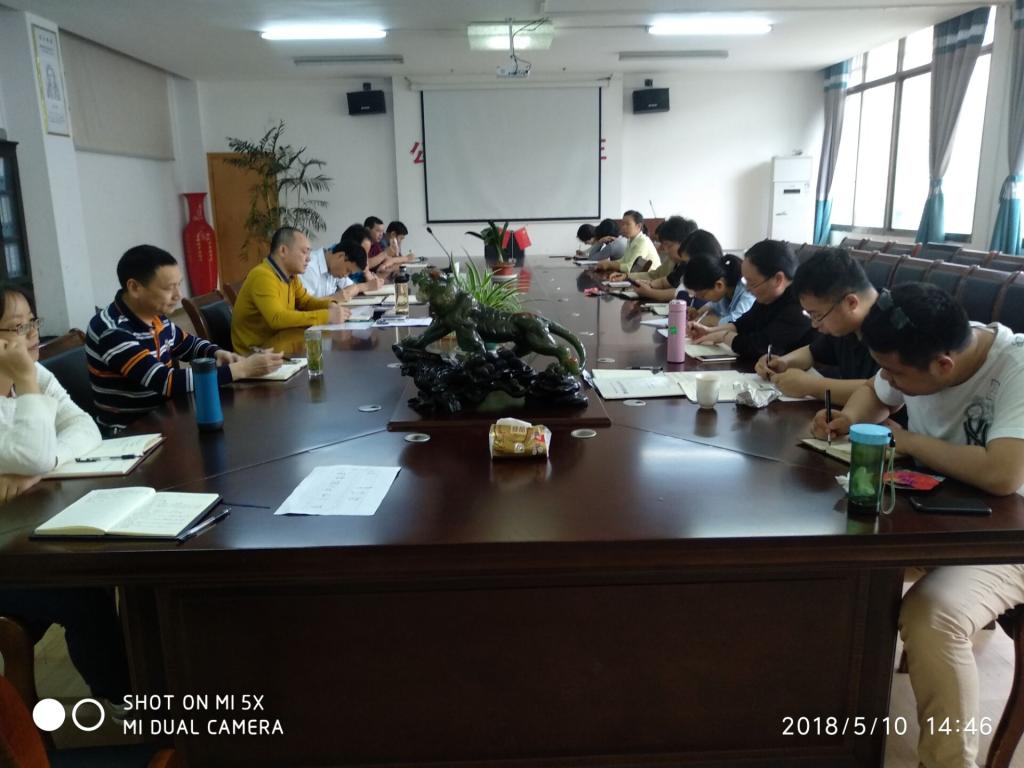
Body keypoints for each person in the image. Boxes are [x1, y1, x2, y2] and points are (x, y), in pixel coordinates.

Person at [810, 282, 1024, 768]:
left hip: (1006, 538)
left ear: (944, 367)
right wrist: (850, 419)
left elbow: (1003, 474)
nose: (888, 378)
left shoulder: (1015, 369)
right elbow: (875, 393)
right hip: (939, 513)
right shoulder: (919, 348)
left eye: (896, 373)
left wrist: (905, 441)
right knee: (828, 563)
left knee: (933, 616)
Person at [0, 283, 131, 702]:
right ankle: (123, 700)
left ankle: (149, 676)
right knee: (83, 592)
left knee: (106, 565)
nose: (32, 335)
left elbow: (83, 427)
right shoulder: (28, 375)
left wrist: (42, 468)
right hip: (7, 556)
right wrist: (25, 380)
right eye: (17, 327)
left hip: (22, 531)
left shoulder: (33, 374)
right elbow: (31, 454)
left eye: (32, 322)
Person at [88, 246, 282, 427]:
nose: (178, 295)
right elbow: (166, 381)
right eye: (168, 288)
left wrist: (217, 353)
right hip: (132, 432)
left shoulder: (155, 315)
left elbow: (188, 344)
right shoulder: (112, 331)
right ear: (134, 288)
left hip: (166, 417)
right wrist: (242, 369)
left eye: (179, 285)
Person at [754, 247, 879, 404]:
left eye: (817, 315)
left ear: (851, 303)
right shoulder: (847, 322)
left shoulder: (894, 325)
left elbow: (882, 391)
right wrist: (782, 362)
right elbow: (812, 352)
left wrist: (811, 386)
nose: (814, 325)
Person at [689, 239, 814, 359]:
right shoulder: (768, 297)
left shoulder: (800, 306)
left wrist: (724, 336)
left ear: (778, 279)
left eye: (752, 283)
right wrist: (709, 331)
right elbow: (744, 323)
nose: (747, 289)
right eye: (745, 281)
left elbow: (760, 347)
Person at [232, 227, 347, 354]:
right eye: (304, 252)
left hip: (280, 345)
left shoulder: (291, 276)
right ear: (283, 251)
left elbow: (305, 301)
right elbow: (277, 318)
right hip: (255, 354)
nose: (308, 259)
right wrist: (327, 316)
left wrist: (329, 305)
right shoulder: (262, 276)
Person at [633, 229, 719, 303]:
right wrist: (649, 284)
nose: (664, 249)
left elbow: (679, 293)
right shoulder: (684, 266)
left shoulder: (712, 283)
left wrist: (648, 292)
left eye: (669, 245)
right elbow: (667, 283)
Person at [681, 252, 755, 327]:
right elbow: (712, 306)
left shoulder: (747, 295)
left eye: (703, 295)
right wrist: (698, 313)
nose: (701, 298)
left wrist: (711, 321)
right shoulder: (725, 291)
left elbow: (739, 322)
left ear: (719, 285)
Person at [301, 237, 380, 301]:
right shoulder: (309, 267)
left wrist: (356, 289)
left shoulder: (333, 267)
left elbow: (352, 287)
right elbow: (303, 304)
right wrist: (333, 298)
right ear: (341, 256)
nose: (346, 276)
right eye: (347, 270)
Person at [635, 215, 698, 283]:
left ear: (685, 243)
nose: (665, 250)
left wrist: (650, 287)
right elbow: (654, 275)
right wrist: (628, 276)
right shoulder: (670, 261)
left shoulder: (695, 267)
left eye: (669, 246)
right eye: (663, 245)